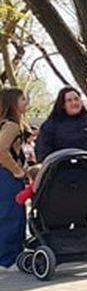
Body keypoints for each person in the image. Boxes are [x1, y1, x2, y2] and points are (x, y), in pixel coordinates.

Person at [32, 86, 87, 162]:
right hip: (63, 171)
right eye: (69, 100)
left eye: (76, 99)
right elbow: (43, 152)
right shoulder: (50, 125)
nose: (74, 102)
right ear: (63, 105)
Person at [0, 88, 28, 267]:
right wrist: (17, 170)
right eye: (23, 99)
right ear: (13, 103)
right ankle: (9, 258)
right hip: (6, 175)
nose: (26, 101)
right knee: (12, 215)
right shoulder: (11, 126)